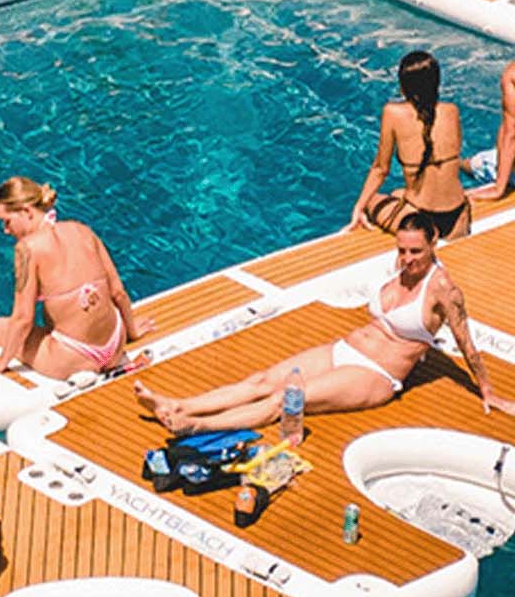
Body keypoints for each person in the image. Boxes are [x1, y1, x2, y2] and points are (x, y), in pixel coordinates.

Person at [135, 214, 515, 433]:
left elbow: (465, 341)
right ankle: (179, 404)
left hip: (377, 374)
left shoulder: (443, 289)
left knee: (283, 401)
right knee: (263, 380)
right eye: (401, 249)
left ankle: (194, 425)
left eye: (415, 250)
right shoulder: (396, 268)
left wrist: (486, 389)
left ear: (434, 242)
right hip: (344, 349)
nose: (407, 258)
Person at [0, 176, 153, 378]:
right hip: (115, 343)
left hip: (74, 357)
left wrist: (0, 363)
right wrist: (132, 332)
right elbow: (118, 292)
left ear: (26, 211)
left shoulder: (27, 249)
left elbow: (23, 318)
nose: (6, 231)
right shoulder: (82, 230)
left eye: (7, 222)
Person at [350, 52, 474, 239]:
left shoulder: (393, 113)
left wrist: (358, 208)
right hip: (459, 217)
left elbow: (380, 170)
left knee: (373, 200)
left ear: (403, 86)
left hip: (421, 224)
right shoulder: (451, 111)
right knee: (398, 192)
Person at [467, 60, 515, 202]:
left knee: (473, 164)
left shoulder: (512, 74)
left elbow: (511, 132)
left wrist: (499, 188)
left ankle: (462, 164)